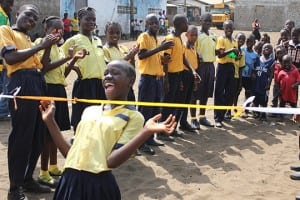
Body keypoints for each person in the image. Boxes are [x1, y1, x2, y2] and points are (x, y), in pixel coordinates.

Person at [39, 60, 177, 200]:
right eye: (106, 73)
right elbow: (70, 154)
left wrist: (146, 132)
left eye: (115, 73)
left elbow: (111, 162)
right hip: (69, 181)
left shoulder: (133, 117)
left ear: (131, 81)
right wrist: (50, 121)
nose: (108, 76)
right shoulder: (89, 111)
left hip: (97, 186)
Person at [0, 4, 60, 199]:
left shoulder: (29, 39)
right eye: (29, 15)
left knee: (38, 136)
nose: (32, 20)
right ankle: (14, 188)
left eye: (35, 18)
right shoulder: (6, 30)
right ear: (17, 14)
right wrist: (41, 45)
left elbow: (42, 68)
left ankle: (27, 179)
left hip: (37, 83)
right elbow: (10, 58)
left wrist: (48, 47)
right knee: (22, 137)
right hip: (22, 84)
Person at [34, 16, 88, 188]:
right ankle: (43, 173)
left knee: (54, 132)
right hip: (47, 90)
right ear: (46, 30)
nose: (58, 33)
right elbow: (44, 67)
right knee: (46, 134)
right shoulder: (41, 43)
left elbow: (62, 75)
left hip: (59, 90)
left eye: (61, 30)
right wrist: (65, 57)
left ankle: (53, 166)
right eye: (55, 30)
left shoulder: (58, 48)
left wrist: (73, 59)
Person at [61, 7, 107, 132]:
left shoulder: (98, 40)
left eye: (94, 20)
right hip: (85, 85)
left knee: (99, 118)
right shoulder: (73, 41)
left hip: (101, 84)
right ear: (79, 19)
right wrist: (74, 67)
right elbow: (61, 59)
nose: (91, 22)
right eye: (88, 19)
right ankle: (79, 142)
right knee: (82, 118)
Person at [136, 13, 174, 154]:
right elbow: (141, 55)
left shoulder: (156, 39)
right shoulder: (144, 37)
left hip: (158, 79)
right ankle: (141, 142)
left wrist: (163, 61)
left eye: (156, 23)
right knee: (145, 112)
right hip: (147, 80)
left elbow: (154, 58)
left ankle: (151, 137)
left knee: (155, 111)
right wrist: (160, 49)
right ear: (146, 25)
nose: (154, 25)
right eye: (151, 23)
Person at [157, 14, 195, 140]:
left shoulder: (179, 40)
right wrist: (166, 79)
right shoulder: (171, 39)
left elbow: (182, 57)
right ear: (179, 25)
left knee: (173, 104)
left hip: (178, 76)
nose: (187, 24)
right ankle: (161, 132)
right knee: (166, 104)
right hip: (170, 76)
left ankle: (170, 130)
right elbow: (165, 60)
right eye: (185, 23)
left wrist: (192, 71)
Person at [103, 21, 139, 102]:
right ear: (105, 33)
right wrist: (128, 56)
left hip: (127, 87)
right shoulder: (104, 50)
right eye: (111, 33)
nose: (115, 35)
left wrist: (132, 57)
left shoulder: (123, 48)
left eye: (117, 33)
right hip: (115, 88)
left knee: (130, 111)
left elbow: (131, 68)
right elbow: (110, 69)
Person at [192, 13, 216, 129]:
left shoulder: (213, 36)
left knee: (205, 93)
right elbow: (192, 50)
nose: (207, 23)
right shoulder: (197, 35)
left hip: (210, 67)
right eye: (205, 21)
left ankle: (202, 116)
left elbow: (214, 52)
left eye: (209, 21)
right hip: (199, 67)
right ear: (201, 21)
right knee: (195, 93)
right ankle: (193, 119)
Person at [214, 20, 238, 128]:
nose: (229, 30)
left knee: (229, 93)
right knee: (219, 92)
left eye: (230, 28)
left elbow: (232, 57)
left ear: (233, 29)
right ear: (223, 28)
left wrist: (236, 55)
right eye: (226, 28)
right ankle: (217, 118)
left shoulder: (234, 41)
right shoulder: (221, 39)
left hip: (231, 68)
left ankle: (222, 115)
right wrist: (231, 51)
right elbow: (220, 56)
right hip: (222, 67)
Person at [179, 25, 200, 131]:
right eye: (192, 35)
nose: (194, 37)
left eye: (196, 35)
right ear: (186, 35)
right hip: (185, 74)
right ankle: (178, 122)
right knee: (182, 100)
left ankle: (183, 122)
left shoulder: (194, 47)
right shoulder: (184, 47)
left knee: (188, 99)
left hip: (193, 75)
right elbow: (183, 62)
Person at [237, 34, 259, 118]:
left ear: (254, 43)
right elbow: (235, 59)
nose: (249, 42)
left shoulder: (255, 55)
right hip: (240, 75)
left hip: (249, 77)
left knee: (248, 93)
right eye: (248, 40)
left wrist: (253, 72)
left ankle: (246, 110)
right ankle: (233, 108)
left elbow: (256, 66)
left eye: (251, 41)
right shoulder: (242, 50)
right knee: (237, 92)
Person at [251, 43, 274, 121]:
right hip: (256, 83)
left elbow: (271, 74)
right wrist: (253, 73)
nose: (266, 49)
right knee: (255, 98)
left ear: (272, 51)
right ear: (261, 49)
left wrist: (269, 84)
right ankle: (256, 112)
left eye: (269, 48)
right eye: (264, 48)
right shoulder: (258, 59)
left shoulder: (272, 62)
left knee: (264, 99)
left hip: (264, 84)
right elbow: (253, 68)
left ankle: (263, 114)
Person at [0, 0, 14, 120]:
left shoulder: (4, 15)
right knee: (6, 87)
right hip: (3, 59)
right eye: (9, 3)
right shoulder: (1, 16)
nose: (11, 7)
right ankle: (3, 112)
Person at [227, 32, 246, 119]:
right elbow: (230, 59)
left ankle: (231, 109)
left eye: (243, 39)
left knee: (234, 93)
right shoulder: (231, 49)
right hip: (228, 75)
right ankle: (226, 110)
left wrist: (240, 81)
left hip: (236, 76)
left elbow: (241, 67)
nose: (241, 40)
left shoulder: (242, 53)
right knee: (227, 93)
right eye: (239, 38)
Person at [277, 55, 300, 120]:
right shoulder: (281, 72)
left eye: (288, 62)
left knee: (293, 104)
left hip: (292, 93)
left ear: (291, 62)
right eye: (285, 62)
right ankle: (281, 117)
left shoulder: (295, 71)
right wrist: (279, 90)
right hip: (284, 92)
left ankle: (294, 117)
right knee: (282, 104)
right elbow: (278, 82)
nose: (286, 64)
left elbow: (299, 80)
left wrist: (295, 85)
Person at [269, 45, 286, 117]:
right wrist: (269, 83)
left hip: (284, 85)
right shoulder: (275, 63)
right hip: (276, 84)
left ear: (284, 53)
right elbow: (271, 73)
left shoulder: (286, 63)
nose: (279, 54)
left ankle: (281, 113)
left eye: (281, 53)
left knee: (282, 99)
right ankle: (274, 112)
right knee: (275, 98)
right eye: (277, 53)